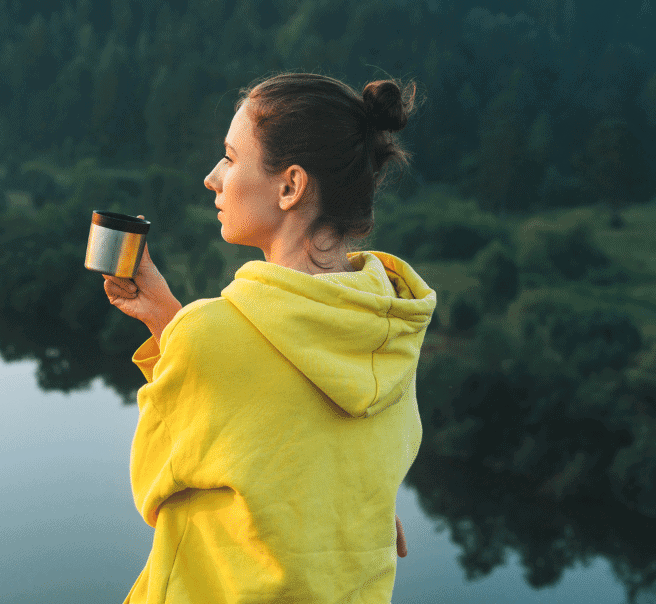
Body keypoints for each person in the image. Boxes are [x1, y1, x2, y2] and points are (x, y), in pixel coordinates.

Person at [103, 73, 436, 603]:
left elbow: (155, 487)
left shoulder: (210, 335)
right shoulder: (389, 327)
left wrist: (179, 332)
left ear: (290, 186)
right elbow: (308, 452)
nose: (213, 177)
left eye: (231, 158)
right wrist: (170, 320)